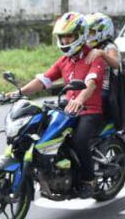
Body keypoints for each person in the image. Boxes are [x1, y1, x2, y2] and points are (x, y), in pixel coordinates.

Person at [14, 12, 108, 198]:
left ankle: (88, 180)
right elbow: (44, 80)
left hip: (90, 110)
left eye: (69, 36)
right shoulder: (64, 61)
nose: (65, 40)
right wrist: (19, 93)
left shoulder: (93, 57)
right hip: (68, 109)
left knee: (79, 141)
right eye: (62, 36)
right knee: (42, 131)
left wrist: (80, 100)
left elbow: (91, 84)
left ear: (80, 34)